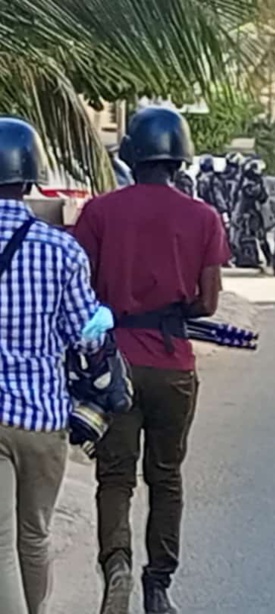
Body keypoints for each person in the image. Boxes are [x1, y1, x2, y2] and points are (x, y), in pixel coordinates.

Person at [73, 106, 230, 614]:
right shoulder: (204, 217)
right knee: (166, 476)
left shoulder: (99, 212)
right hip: (172, 364)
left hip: (113, 364)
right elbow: (207, 303)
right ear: (180, 159)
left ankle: (115, 565)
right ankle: (158, 584)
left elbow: (82, 291)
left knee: (114, 477)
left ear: (133, 155)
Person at [0, 117, 106, 614]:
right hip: (41, 416)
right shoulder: (60, 250)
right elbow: (85, 336)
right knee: (35, 534)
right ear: (29, 179)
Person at [231, 158, 271, 271]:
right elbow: (261, 196)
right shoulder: (247, 184)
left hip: (248, 212)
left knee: (257, 235)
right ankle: (249, 258)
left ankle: (266, 259)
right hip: (246, 213)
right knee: (255, 236)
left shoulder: (242, 181)